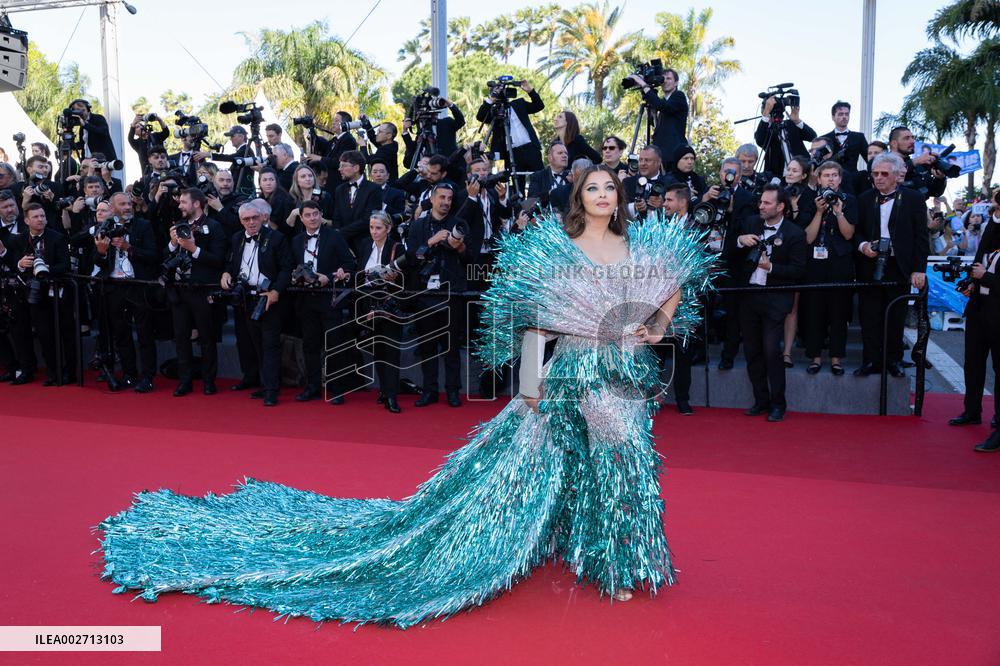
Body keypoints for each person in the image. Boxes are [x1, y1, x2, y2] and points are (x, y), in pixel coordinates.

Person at [97, 164, 715, 627]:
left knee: (624, 463)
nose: (602, 195)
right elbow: (534, 320)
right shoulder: (559, 249)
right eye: (592, 188)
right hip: (569, 372)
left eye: (609, 187)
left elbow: (675, 287)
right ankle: (545, 549)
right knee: (543, 466)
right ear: (579, 199)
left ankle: (614, 561)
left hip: (621, 375)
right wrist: (528, 384)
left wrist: (654, 327)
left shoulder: (642, 248)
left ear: (620, 197)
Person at [733, 184, 808, 421]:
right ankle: (760, 401)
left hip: (775, 299)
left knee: (771, 351)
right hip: (749, 296)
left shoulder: (795, 233)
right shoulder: (751, 223)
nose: (761, 206)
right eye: (761, 202)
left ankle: (778, 404)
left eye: (767, 203)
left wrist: (771, 267)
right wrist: (739, 240)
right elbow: (729, 253)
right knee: (751, 350)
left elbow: (798, 270)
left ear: (781, 206)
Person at [853, 153, 929, 378]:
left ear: (897, 175)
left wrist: (919, 269)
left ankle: (894, 360)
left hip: (899, 265)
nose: (878, 177)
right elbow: (856, 232)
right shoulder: (864, 198)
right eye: (875, 174)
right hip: (870, 263)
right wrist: (863, 246)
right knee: (869, 316)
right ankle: (870, 360)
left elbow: (921, 237)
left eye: (884, 174)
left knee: (896, 315)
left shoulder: (914, 198)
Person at [220, 199, 293, 408]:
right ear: (241, 221)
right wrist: (226, 273)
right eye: (246, 219)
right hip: (246, 298)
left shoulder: (276, 238)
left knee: (269, 344)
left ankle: (271, 390)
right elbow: (231, 263)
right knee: (255, 344)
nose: (251, 222)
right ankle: (263, 382)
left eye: (254, 218)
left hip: (268, 298)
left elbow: (287, 268)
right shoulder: (236, 238)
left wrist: (276, 291)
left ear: (262, 217)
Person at [405, 182, 469, 408]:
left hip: (451, 292)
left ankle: (453, 391)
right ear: (432, 199)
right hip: (425, 293)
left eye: (449, 198)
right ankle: (429, 390)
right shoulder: (417, 226)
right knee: (427, 346)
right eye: (442, 197)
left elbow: (469, 258)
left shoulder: (458, 224)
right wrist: (432, 241)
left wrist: (459, 247)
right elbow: (411, 259)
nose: (446, 202)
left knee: (451, 346)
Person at [93, 192, 160, 392]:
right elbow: (97, 262)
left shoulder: (143, 226)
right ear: (112, 209)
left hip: (138, 286)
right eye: (122, 204)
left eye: (129, 204)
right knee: (121, 334)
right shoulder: (104, 228)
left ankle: (147, 377)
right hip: (114, 287)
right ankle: (129, 375)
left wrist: (129, 247)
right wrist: (101, 252)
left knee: (145, 333)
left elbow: (153, 256)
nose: (128, 207)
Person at [290, 200, 355, 406]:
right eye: (307, 215)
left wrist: (330, 276)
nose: (312, 218)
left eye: (315, 214)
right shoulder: (296, 240)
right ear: (301, 218)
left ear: (321, 215)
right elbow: (291, 266)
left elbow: (349, 264)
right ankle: (312, 387)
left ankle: (336, 388)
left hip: (329, 299)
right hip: (305, 300)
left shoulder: (334, 236)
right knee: (310, 345)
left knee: (333, 344)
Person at [167, 188, 228, 397]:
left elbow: (218, 260)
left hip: (202, 290)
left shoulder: (214, 227)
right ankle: (184, 381)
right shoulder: (178, 225)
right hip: (179, 290)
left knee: (207, 338)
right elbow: (166, 256)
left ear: (196, 204)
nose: (180, 206)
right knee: (181, 337)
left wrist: (194, 249)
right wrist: (172, 244)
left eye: (183, 202)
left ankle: (209, 381)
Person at [5, 203, 74, 386]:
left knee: (50, 334)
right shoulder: (19, 240)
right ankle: (32, 370)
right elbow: (12, 264)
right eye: (35, 217)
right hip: (25, 292)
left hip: (51, 293)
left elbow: (65, 265)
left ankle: (58, 372)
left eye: (42, 216)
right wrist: (20, 264)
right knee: (27, 333)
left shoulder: (57, 237)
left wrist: (45, 268)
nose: (40, 219)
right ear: (27, 220)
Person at [799, 162, 857, 375]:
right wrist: (818, 212)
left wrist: (839, 213)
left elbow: (849, 234)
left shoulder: (850, 200)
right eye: (826, 175)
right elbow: (807, 238)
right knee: (814, 312)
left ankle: (836, 359)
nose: (830, 179)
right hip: (814, 264)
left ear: (840, 179)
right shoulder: (809, 199)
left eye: (834, 175)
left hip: (840, 263)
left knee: (839, 312)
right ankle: (815, 358)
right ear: (819, 179)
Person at [950, 220, 1000, 433]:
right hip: (978, 310)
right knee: (972, 364)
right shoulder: (988, 247)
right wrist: (972, 283)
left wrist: (985, 277)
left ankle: (999, 418)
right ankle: (971, 411)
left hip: (998, 315)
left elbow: (987, 276)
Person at [354, 211, 404, 412]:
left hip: (389, 303)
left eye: (378, 228)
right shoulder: (365, 245)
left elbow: (406, 277)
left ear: (388, 228)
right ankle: (384, 389)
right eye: (371, 227)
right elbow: (359, 273)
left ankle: (392, 396)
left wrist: (393, 278)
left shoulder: (396, 248)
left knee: (391, 350)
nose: (374, 231)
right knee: (378, 349)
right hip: (368, 302)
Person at [476, 79, 545, 177]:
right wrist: (491, 99)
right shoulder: (494, 111)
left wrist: (530, 91)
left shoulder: (519, 104)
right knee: (511, 180)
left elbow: (539, 106)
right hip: (510, 153)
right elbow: (480, 117)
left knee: (541, 178)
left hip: (531, 149)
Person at [627, 68, 688, 166]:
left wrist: (643, 84)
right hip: (661, 153)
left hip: (674, 154)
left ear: (676, 83)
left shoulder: (679, 96)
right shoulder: (664, 101)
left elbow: (662, 106)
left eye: (669, 78)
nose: (665, 81)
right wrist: (646, 92)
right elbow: (654, 122)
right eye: (663, 79)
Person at [331, 150, 383, 245]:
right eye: (340, 166)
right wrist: (338, 235)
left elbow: (368, 219)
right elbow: (336, 217)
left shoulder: (374, 189)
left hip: (365, 243)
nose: (339, 169)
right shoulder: (339, 190)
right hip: (342, 243)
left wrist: (342, 233)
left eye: (343, 166)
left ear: (356, 168)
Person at [819, 101, 869, 178]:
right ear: (833, 117)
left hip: (853, 180)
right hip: (830, 179)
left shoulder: (859, 137)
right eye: (840, 114)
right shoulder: (824, 139)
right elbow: (819, 163)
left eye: (847, 114)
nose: (844, 117)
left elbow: (869, 159)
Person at [286, 164, 334, 229]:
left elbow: (334, 223)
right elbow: (287, 228)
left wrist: (322, 220)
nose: (308, 179)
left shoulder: (325, 197)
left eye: (310, 176)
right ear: (297, 181)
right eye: (303, 176)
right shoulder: (292, 198)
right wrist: (293, 213)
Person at [257, 167, 295, 236]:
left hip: (281, 236)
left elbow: (277, 226)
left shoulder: (282, 198)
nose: (268, 183)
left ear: (276, 182)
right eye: (265, 180)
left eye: (271, 179)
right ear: (260, 183)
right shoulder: (261, 198)